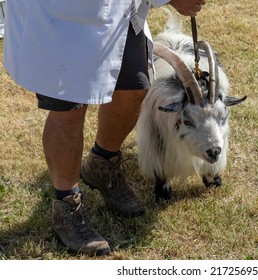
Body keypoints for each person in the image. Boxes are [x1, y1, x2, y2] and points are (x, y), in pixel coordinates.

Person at [3, 0, 206, 255]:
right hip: (67, 16)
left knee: (135, 89)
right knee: (69, 108)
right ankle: (66, 204)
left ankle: (101, 164)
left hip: (118, 10)